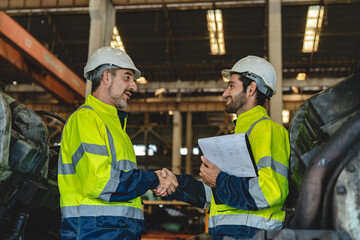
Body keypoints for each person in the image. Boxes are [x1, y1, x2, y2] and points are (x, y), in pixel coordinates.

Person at [155, 56, 290, 239]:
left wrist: (220, 180)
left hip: (252, 235)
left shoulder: (267, 130)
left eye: (232, 86)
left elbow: (270, 192)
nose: (225, 93)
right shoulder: (240, 134)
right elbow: (216, 194)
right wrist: (177, 184)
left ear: (251, 89)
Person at [58, 46, 177, 239]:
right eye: (127, 77)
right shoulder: (86, 119)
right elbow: (101, 182)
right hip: (94, 232)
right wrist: (153, 178)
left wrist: (153, 181)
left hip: (116, 230)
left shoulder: (115, 128)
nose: (134, 86)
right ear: (107, 77)